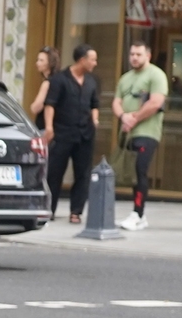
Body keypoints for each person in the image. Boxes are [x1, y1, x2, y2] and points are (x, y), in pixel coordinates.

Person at [111, 40, 167, 229]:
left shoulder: (156, 75)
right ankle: (135, 213)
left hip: (147, 132)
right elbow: (116, 102)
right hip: (127, 133)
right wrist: (122, 116)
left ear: (148, 56)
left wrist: (133, 119)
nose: (134, 58)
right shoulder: (125, 78)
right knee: (128, 173)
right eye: (132, 54)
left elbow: (155, 103)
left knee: (140, 171)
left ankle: (138, 213)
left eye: (138, 54)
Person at [45, 44, 102, 222]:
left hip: (85, 134)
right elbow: (50, 104)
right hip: (62, 133)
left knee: (83, 173)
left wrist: (95, 119)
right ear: (82, 60)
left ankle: (76, 211)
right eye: (92, 59)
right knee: (55, 172)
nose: (95, 63)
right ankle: (49, 209)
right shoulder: (59, 79)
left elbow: (95, 105)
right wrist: (49, 127)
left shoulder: (92, 82)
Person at [26, 47, 56, 138]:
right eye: (38, 60)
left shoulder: (47, 83)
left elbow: (36, 108)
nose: (37, 63)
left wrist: (32, 106)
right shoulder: (59, 81)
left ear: (49, 63)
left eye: (41, 60)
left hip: (44, 128)